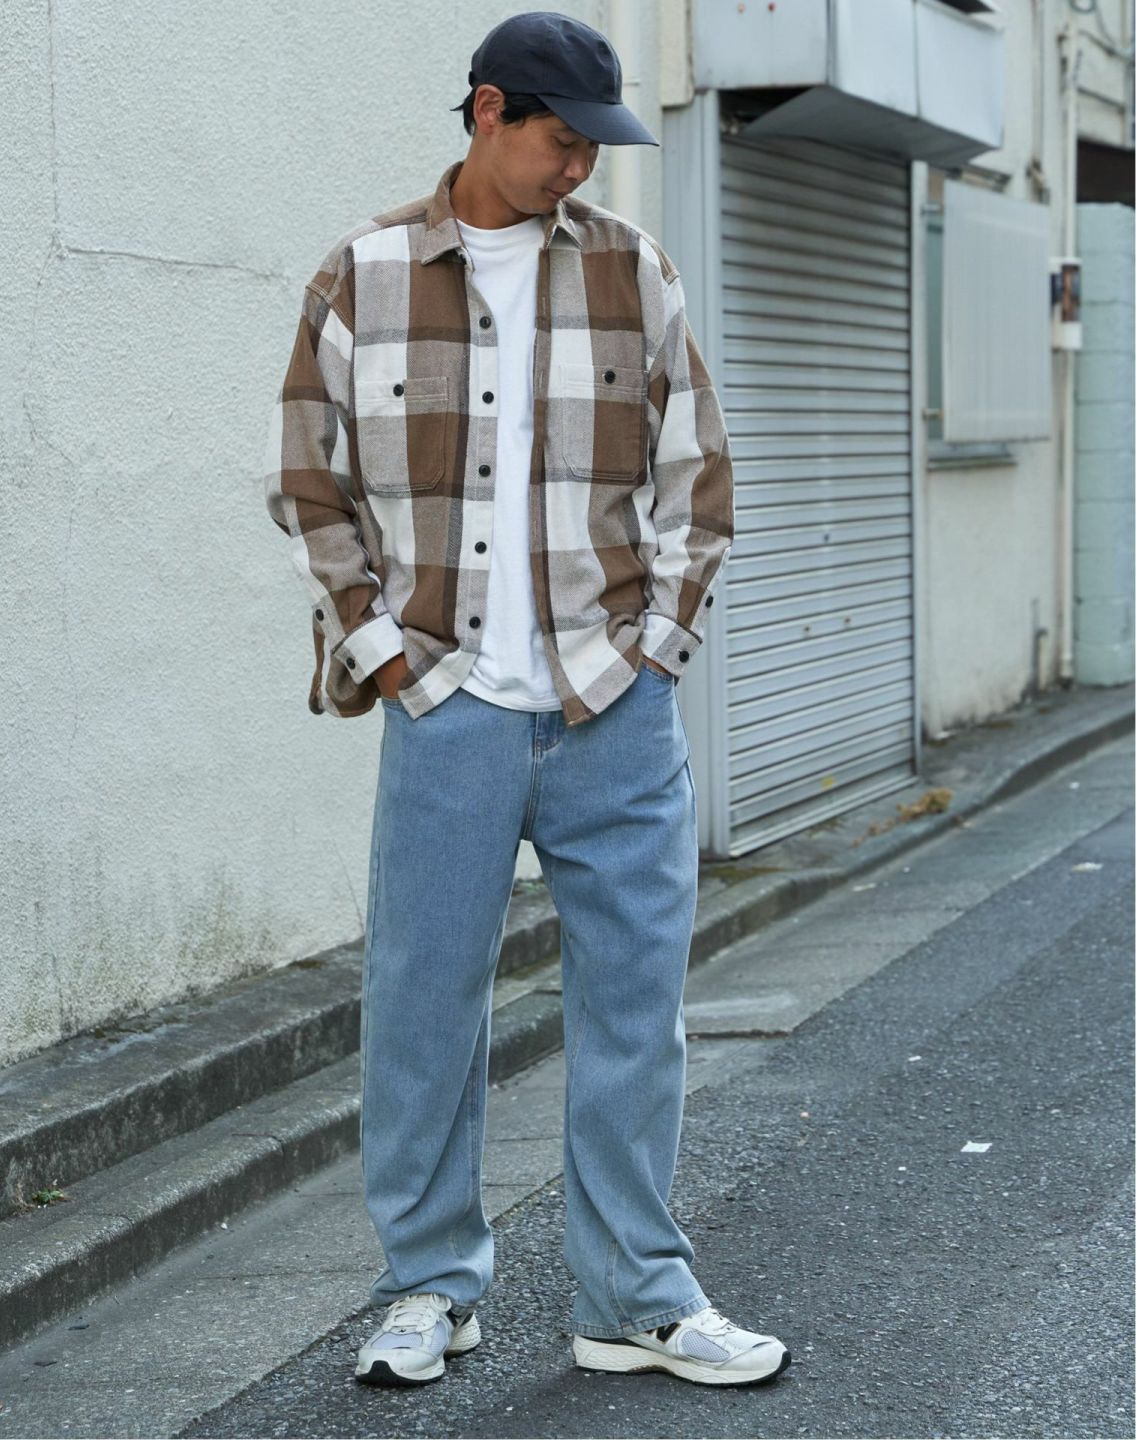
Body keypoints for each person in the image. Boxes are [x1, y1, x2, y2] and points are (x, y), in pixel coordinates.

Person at [264, 9, 791, 1392]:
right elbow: (308, 481)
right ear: (489, 112)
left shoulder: (631, 270)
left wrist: (656, 650)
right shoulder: (364, 273)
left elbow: (699, 476)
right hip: (446, 704)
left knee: (636, 1011)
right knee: (421, 1008)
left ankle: (635, 1298)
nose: (581, 169)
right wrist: (384, 653)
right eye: (563, 141)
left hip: (610, 705)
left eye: (593, 148)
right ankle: (429, 1287)